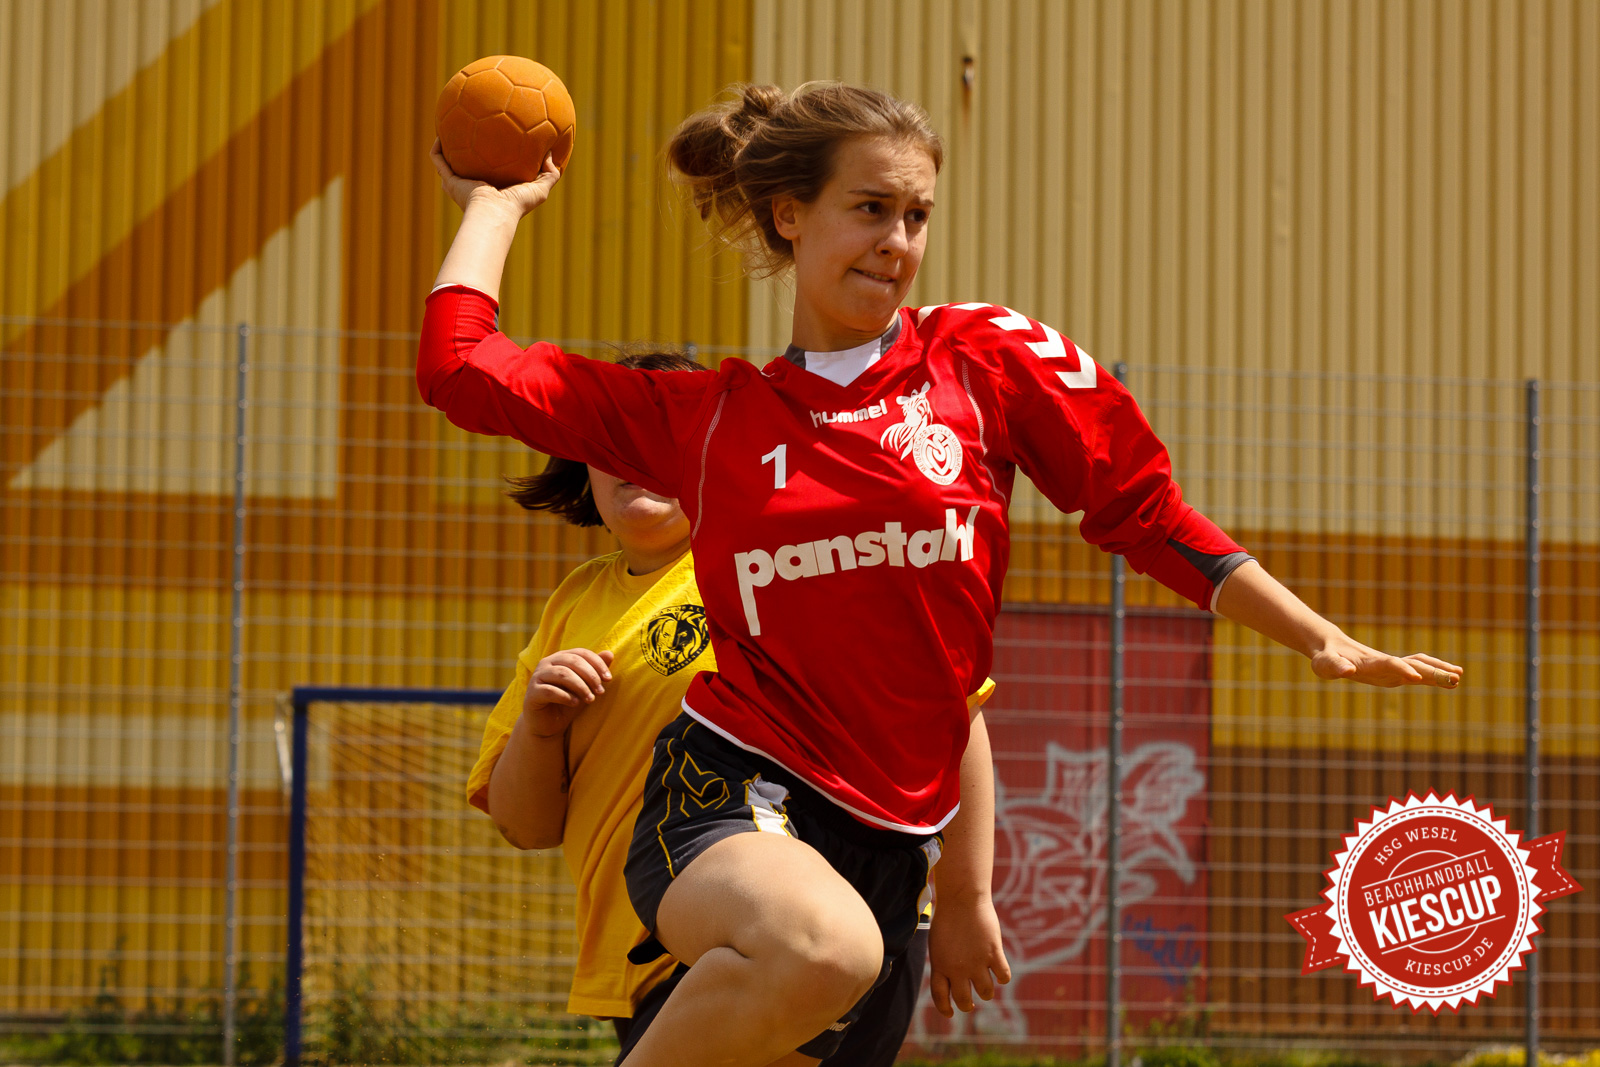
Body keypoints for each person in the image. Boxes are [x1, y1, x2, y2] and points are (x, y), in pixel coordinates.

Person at [419, 82, 1463, 1067]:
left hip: (895, 841)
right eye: (869, 207)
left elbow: (1141, 511)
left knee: (841, 954)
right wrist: (496, 205)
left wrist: (1317, 635)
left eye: (916, 215)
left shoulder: (982, 364)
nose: (898, 242)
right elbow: (460, 366)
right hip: (730, 793)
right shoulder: (710, 418)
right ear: (789, 217)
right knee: (821, 948)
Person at [464, 351, 1004, 1067]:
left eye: (658, 440)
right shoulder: (572, 607)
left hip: (832, 920)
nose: (633, 459)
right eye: (612, 442)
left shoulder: (783, 555)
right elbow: (520, 823)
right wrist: (539, 727)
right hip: (660, 948)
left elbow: (948, 708)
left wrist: (966, 896)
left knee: (815, 947)